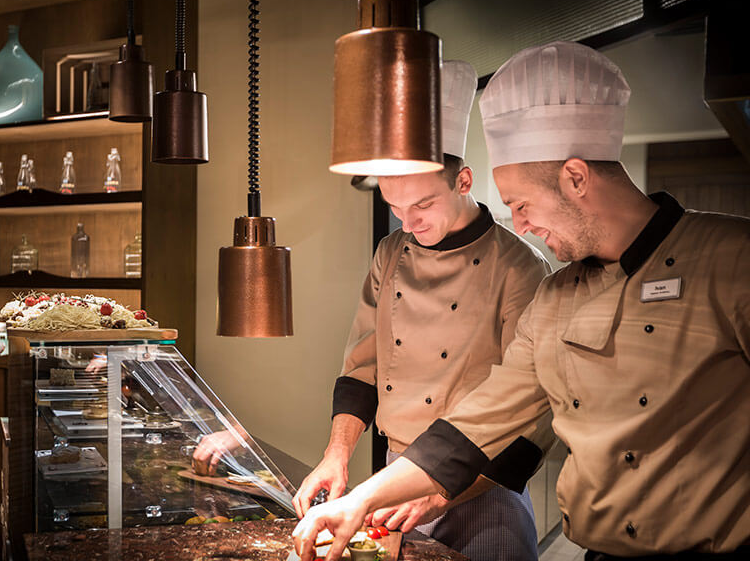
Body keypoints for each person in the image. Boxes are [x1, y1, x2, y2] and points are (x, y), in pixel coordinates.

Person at [292, 41, 750, 561]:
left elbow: (523, 434)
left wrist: (429, 494)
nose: (522, 223)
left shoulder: (734, 260)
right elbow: (482, 420)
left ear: (576, 178)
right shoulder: (558, 297)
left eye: (522, 204)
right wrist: (362, 496)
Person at [290, 60, 550, 561]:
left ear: (464, 180)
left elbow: (532, 415)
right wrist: (336, 454)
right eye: (396, 208)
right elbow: (362, 367)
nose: (408, 224)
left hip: (484, 491)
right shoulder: (391, 254)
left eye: (423, 206)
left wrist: (442, 491)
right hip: (395, 479)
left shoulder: (520, 268)